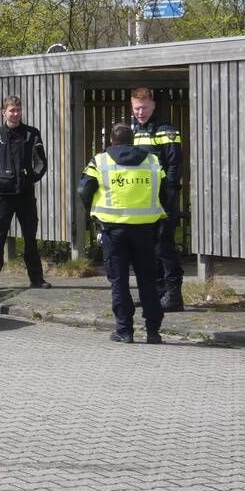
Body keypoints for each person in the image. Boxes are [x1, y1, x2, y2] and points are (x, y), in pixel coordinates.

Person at [79, 122, 167, 344]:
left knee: (119, 281)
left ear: (111, 141)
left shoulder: (99, 161)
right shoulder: (152, 161)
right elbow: (167, 191)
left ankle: (124, 331)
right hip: (146, 230)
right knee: (148, 280)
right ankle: (153, 331)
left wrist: (92, 212)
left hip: (113, 230)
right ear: (133, 141)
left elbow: (84, 189)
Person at [0, 95, 50, 292]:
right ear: (4, 112)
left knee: (30, 238)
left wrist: (32, 178)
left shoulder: (32, 134)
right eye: (12, 110)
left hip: (26, 195)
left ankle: (36, 279)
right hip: (4, 196)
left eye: (18, 110)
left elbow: (41, 162)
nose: (16, 114)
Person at [130, 87, 185, 311]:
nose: (140, 112)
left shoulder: (166, 130)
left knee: (164, 247)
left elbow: (175, 165)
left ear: (153, 105)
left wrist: (169, 195)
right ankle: (156, 291)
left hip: (163, 200)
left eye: (144, 107)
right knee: (149, 248)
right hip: (144, 201)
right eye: (136, 108)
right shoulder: (135, 130)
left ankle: (174, 295)